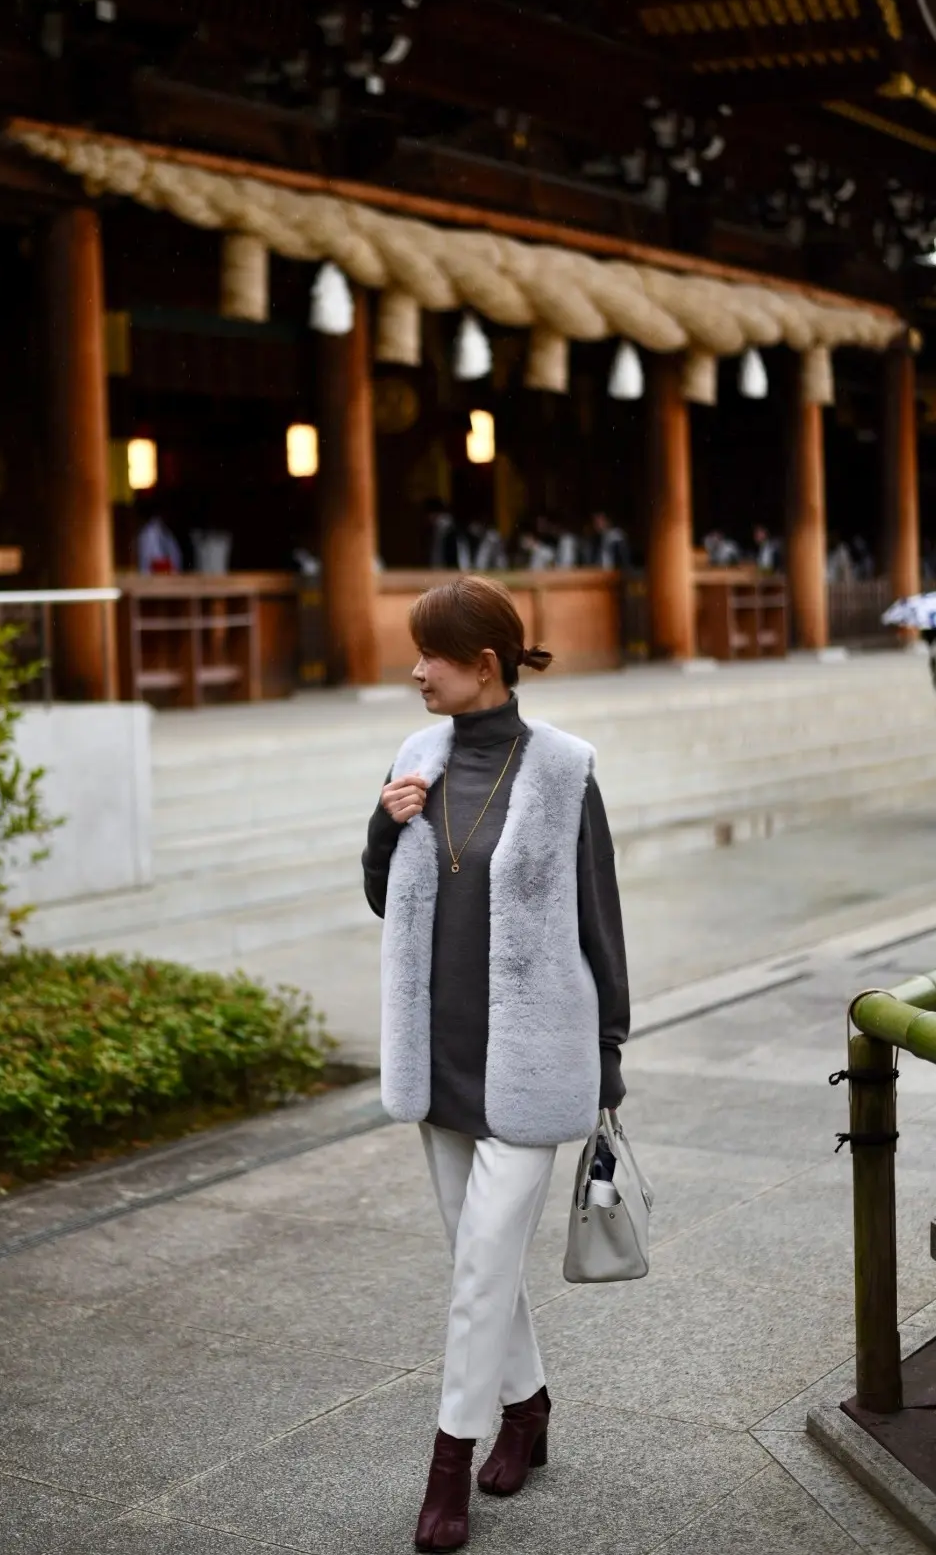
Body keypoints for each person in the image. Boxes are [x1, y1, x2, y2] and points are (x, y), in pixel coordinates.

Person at [361, 577, 629, 1554]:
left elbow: (601, 920)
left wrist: (609, 1057)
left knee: (480, 1267)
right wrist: (385, 827)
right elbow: (383, 897)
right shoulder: (416, 759)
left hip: (530, 1063)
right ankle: (528, 1410)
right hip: (439, 1063)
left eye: (430, 654)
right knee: (480, 1262)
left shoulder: (563, 770)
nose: (414, 670)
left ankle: (446, 1472)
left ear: (484, 665)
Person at [136, 508, 183, 574]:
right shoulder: (149, 533)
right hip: (151, 576)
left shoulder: (167, 533)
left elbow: (176, 557)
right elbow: (152, 561)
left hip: (168, 576)